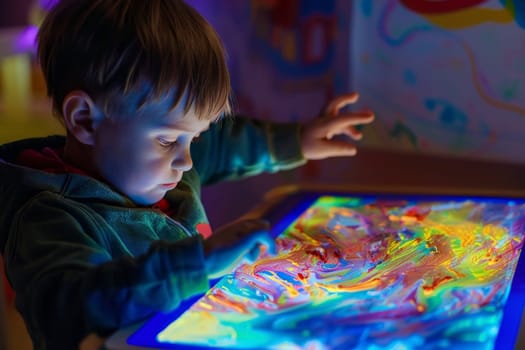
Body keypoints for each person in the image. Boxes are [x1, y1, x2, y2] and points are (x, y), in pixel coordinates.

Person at [0, 0, 374, 349]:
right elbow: (73, 303)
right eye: (167, 140)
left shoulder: (165, 169)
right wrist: (198, 262)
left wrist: (296, 141)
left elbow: (222, 143)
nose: (187, 161)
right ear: (84, 118)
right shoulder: (47, 219)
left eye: (193, 137)